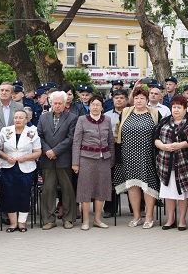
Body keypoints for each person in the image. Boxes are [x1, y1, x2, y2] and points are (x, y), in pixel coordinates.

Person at [114, 85, 161, 228]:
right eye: (136, 98)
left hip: (148, 156)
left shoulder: (154, 113)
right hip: (128, 155)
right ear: (132, 99)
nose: (139, 100)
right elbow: (117, 134)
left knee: (148, 186)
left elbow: (160, 133)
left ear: (147, 100)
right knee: (133, 186)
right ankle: (136, 216)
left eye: (142, 98)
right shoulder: (126, 112)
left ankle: (149, 216)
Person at [72, 95, 114, 231]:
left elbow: (111, 141)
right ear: (88, 106)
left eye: (98, 104)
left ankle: (97, 219)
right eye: (93, 104)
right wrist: (75, 162)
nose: (95, 107)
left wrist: (111, 159)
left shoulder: (107, 120)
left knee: (101, 189)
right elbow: (76, 142)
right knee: (85, 189)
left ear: (102, 107)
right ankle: (85, 220)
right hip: (86, 159)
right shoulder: (82, 120)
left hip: (103, 159)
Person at [154, 95, 188, 231]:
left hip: (183, 162)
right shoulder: (164, 121)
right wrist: (163, 146)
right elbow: (155, 138)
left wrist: (180, 145)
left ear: (185, 109)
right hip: (165, 162)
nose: (176, 110)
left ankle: (182, 219)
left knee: (182, 192)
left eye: (179, 107)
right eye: (174, 107)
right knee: (168, 192)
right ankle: (171, 218)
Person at [38, 91, 78, 230]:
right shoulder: (43, 118)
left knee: (67, 190)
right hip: (47, 159)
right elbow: (39, 136)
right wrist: (47, 150)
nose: (57, 106)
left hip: (64, 159)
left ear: (65, 103)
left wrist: (55, 151)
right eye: (55, 103)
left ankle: (68, 219)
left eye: (60, 103)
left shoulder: (72, 118)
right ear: (51, 103)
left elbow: (71, 138)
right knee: (48, 190)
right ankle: (49, 220)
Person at [0, 109, 41, 232]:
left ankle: (22, 222)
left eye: (20, 118)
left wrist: (26, 157)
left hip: (26, 168)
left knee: (24, 194)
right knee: (9, 194)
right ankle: (13, 223)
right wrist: (6, 157)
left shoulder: (32, 132)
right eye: (16, 117)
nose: (17, 120)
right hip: (7, 167)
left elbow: (38, 152)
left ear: (27, 119)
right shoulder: (5, 131)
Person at [102, 89, 128, 218]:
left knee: (131, 177)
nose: (119, 100)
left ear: (127, 100)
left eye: (122, 98)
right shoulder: (106, 115)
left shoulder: (132, 113)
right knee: (111, 179)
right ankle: (110, 209)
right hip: (111, 148)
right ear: (112, 100)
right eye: (116, 97)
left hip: (128, 147)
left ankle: (138, 208)